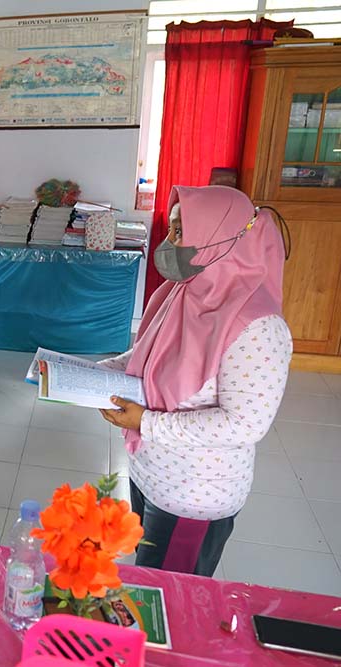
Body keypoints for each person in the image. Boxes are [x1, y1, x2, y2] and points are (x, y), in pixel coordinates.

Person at [98, 185, 292, 577]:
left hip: (195, 495)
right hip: (152, 473)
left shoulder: (257, 326)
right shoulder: (182, 291)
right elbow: (147, 357)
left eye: (181, 232)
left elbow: (245, 423)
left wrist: (146, 423)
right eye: (170, 230)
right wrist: (94, 373)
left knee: (167, 601)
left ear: (218, 240)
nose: (169, 244)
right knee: (149, 577)